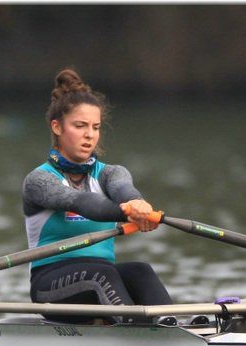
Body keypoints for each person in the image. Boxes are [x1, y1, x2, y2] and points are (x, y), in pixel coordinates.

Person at [23, 68, 174, 325]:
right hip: (50, 287)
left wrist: (138, 205)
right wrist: (127, 212)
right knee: (101, 273)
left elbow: (123, 190)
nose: (89, 135)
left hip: (102, 276)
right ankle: (135, 332)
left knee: (140, 270)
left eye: (95, 127)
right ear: (57, 127)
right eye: (80, 126)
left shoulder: (109, 173)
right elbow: (82, 202)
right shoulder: (39, 180)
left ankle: (171, 325)